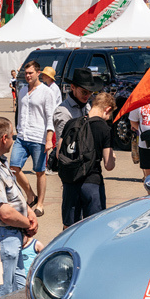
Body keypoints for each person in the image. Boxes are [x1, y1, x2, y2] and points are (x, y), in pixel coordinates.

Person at [0, 116, 37, 299]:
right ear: (4, 138)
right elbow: (4, 213)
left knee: (19, 292)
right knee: (1, 297)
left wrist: (29, 212)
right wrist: (28, 223)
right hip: (5, 237)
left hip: (14, 237)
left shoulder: (1, 162)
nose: (14, 140)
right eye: (12, 136)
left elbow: (14, 195)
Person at [60, 92, 116, 229]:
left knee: (69, 228)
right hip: (92, 183)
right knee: (94, 228)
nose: (108, 118)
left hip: (70, 182)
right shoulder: (104, 128)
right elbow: (108, 165)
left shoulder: (71, 123)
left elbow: (58, 154)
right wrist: (113, 157)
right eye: (110, 114)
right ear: (107, 109)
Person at [12, 60, 57, 217]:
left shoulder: (46, 92)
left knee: (39, 172)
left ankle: (40, 204)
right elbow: (20, 113)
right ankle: (31, 195)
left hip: (38, 137)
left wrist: (49, 139)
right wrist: (17, 129)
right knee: (13, 167)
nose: (28, 76)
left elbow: (50, 117)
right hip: (22, 136)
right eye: (26, 73)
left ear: (38, 73)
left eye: (30, 73)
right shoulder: (23, 91)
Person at [54, 68, 101, 157]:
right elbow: (61, 146)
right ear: (73, 87)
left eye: (90, 92)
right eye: (84, 92)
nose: (87, 96)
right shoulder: (63, 112)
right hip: (71, 159)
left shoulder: (86, 106)